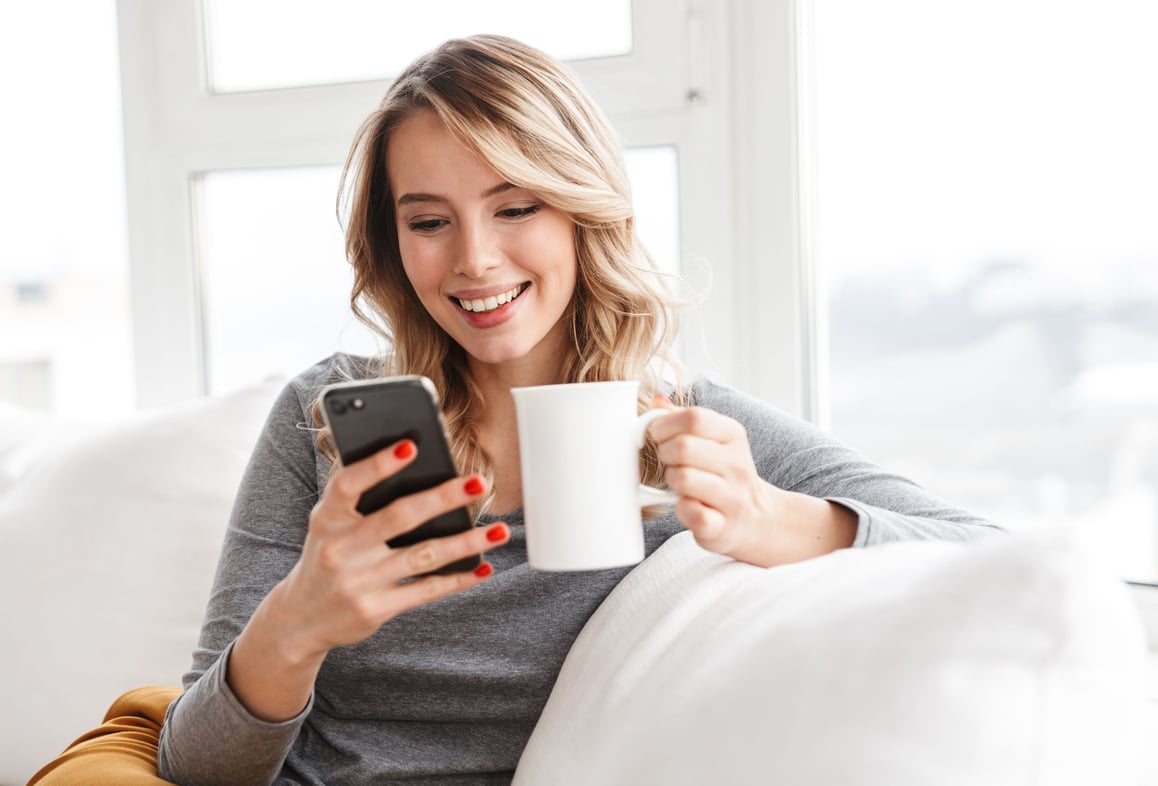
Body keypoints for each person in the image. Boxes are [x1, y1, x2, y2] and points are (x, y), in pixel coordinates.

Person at [31, 33, 1001, 786]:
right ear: (392, 244)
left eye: (515, 206)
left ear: (581, 210)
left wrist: (777, 519)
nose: (475, 262)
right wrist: (301, 622)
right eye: (427, 221)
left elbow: (984, 552)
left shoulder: (678, 427)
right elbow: (195, 767)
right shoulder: (324, 421)